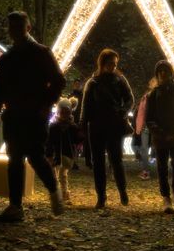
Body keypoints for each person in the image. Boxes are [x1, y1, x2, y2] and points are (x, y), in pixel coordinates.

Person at [0, 11, 66, 222]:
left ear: (27, 28)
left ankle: (51, 189)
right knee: (15, 159)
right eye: (11, 28)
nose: (13, 32)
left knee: (35, 156)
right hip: (15, 115)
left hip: (33, 115)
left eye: (17, 27)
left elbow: (58, 80)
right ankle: (15, 205)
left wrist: (45, 105)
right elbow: (0, 90)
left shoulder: (40, 53)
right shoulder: (9, 58)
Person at [80, 48, 134, 209]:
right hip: (97, 126)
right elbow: (86, 106)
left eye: (115, 64)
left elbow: (130, 99)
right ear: (103, 63)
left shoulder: (119, 80)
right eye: (111, 63)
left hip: (114, 125)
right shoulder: (93, 82)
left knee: (116, 160)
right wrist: (83, 125)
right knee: (98, 163)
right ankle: (101, 196)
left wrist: (123, 112)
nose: (113, 66)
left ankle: (122, 190)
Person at [146, 60, 174, 214]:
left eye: (166, 71)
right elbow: (149, 117)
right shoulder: (153, 94)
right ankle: (166, 197)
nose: (163, 73)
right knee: (162, 167)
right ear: (157, 74)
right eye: (160, 71)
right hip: (161, 137)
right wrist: (159, 132)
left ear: (170, 73)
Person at [46, 97, 83, 205]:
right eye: (62, 112)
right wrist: (49, 154)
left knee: (62, 174)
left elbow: (77, 140)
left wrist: (81, 136)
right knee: (56, 174)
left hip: (67, 155)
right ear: (58, 112)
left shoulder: (72, 127)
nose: (64, 114)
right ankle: (59, 193)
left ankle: (64, 192)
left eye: (66, 112)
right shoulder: (53, 126)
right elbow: (49, 141)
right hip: (55, 154)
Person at [133, 78, 157, 180]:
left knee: (148, 148)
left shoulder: (152, 96)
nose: (150, 83)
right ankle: (147, 171)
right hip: (149, 125)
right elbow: (141, 112)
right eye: (150, 81)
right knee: (145, 148)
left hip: (152, 125)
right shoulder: (147, 96)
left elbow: (142, 112)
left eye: (152, 81)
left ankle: (148, 171)